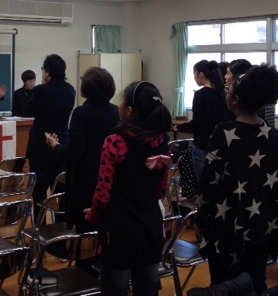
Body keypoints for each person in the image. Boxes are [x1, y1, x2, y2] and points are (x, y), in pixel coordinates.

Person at [196, 64, 278, 293]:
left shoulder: (224, 132)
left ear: (235, 100)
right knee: (256, 281)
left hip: (227, 222)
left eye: (228, 91)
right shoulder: (274, 135)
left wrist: (201, 218)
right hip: (261, 224)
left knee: (225, 285)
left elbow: (209, 181)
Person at [85, 81, 172, 296]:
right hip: (151, 227)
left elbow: (103, 193)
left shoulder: (115, 141)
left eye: (122, 101)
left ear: (130, 111)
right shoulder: (162, 140)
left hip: (119, 231)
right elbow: (161, 190)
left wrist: (94, 216)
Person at [45, 67, 120, 233]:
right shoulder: (116, 111)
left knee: (85, 229)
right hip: (110, 177)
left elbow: (74, 152)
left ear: (88, 88)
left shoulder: (81, 113)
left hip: (86, 181)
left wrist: (55, 145)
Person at [26, 54, 76, 206]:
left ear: (47, 72)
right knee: (60, 191)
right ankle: (60, 220)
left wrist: (35, 91)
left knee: (39, 191)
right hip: (61, 143)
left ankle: (40, 220)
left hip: (40, 145)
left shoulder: (41, 90)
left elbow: (28, 110)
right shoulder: (71, 90)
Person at [186, 60, 227, 185]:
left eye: (194, 74)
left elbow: (198, 122)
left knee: (203, 183)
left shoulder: (200, 95)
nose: (194, 77)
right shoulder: (223, 94)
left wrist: (182, 127)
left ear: (201, 75)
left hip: (202, 145)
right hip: (220, 144)